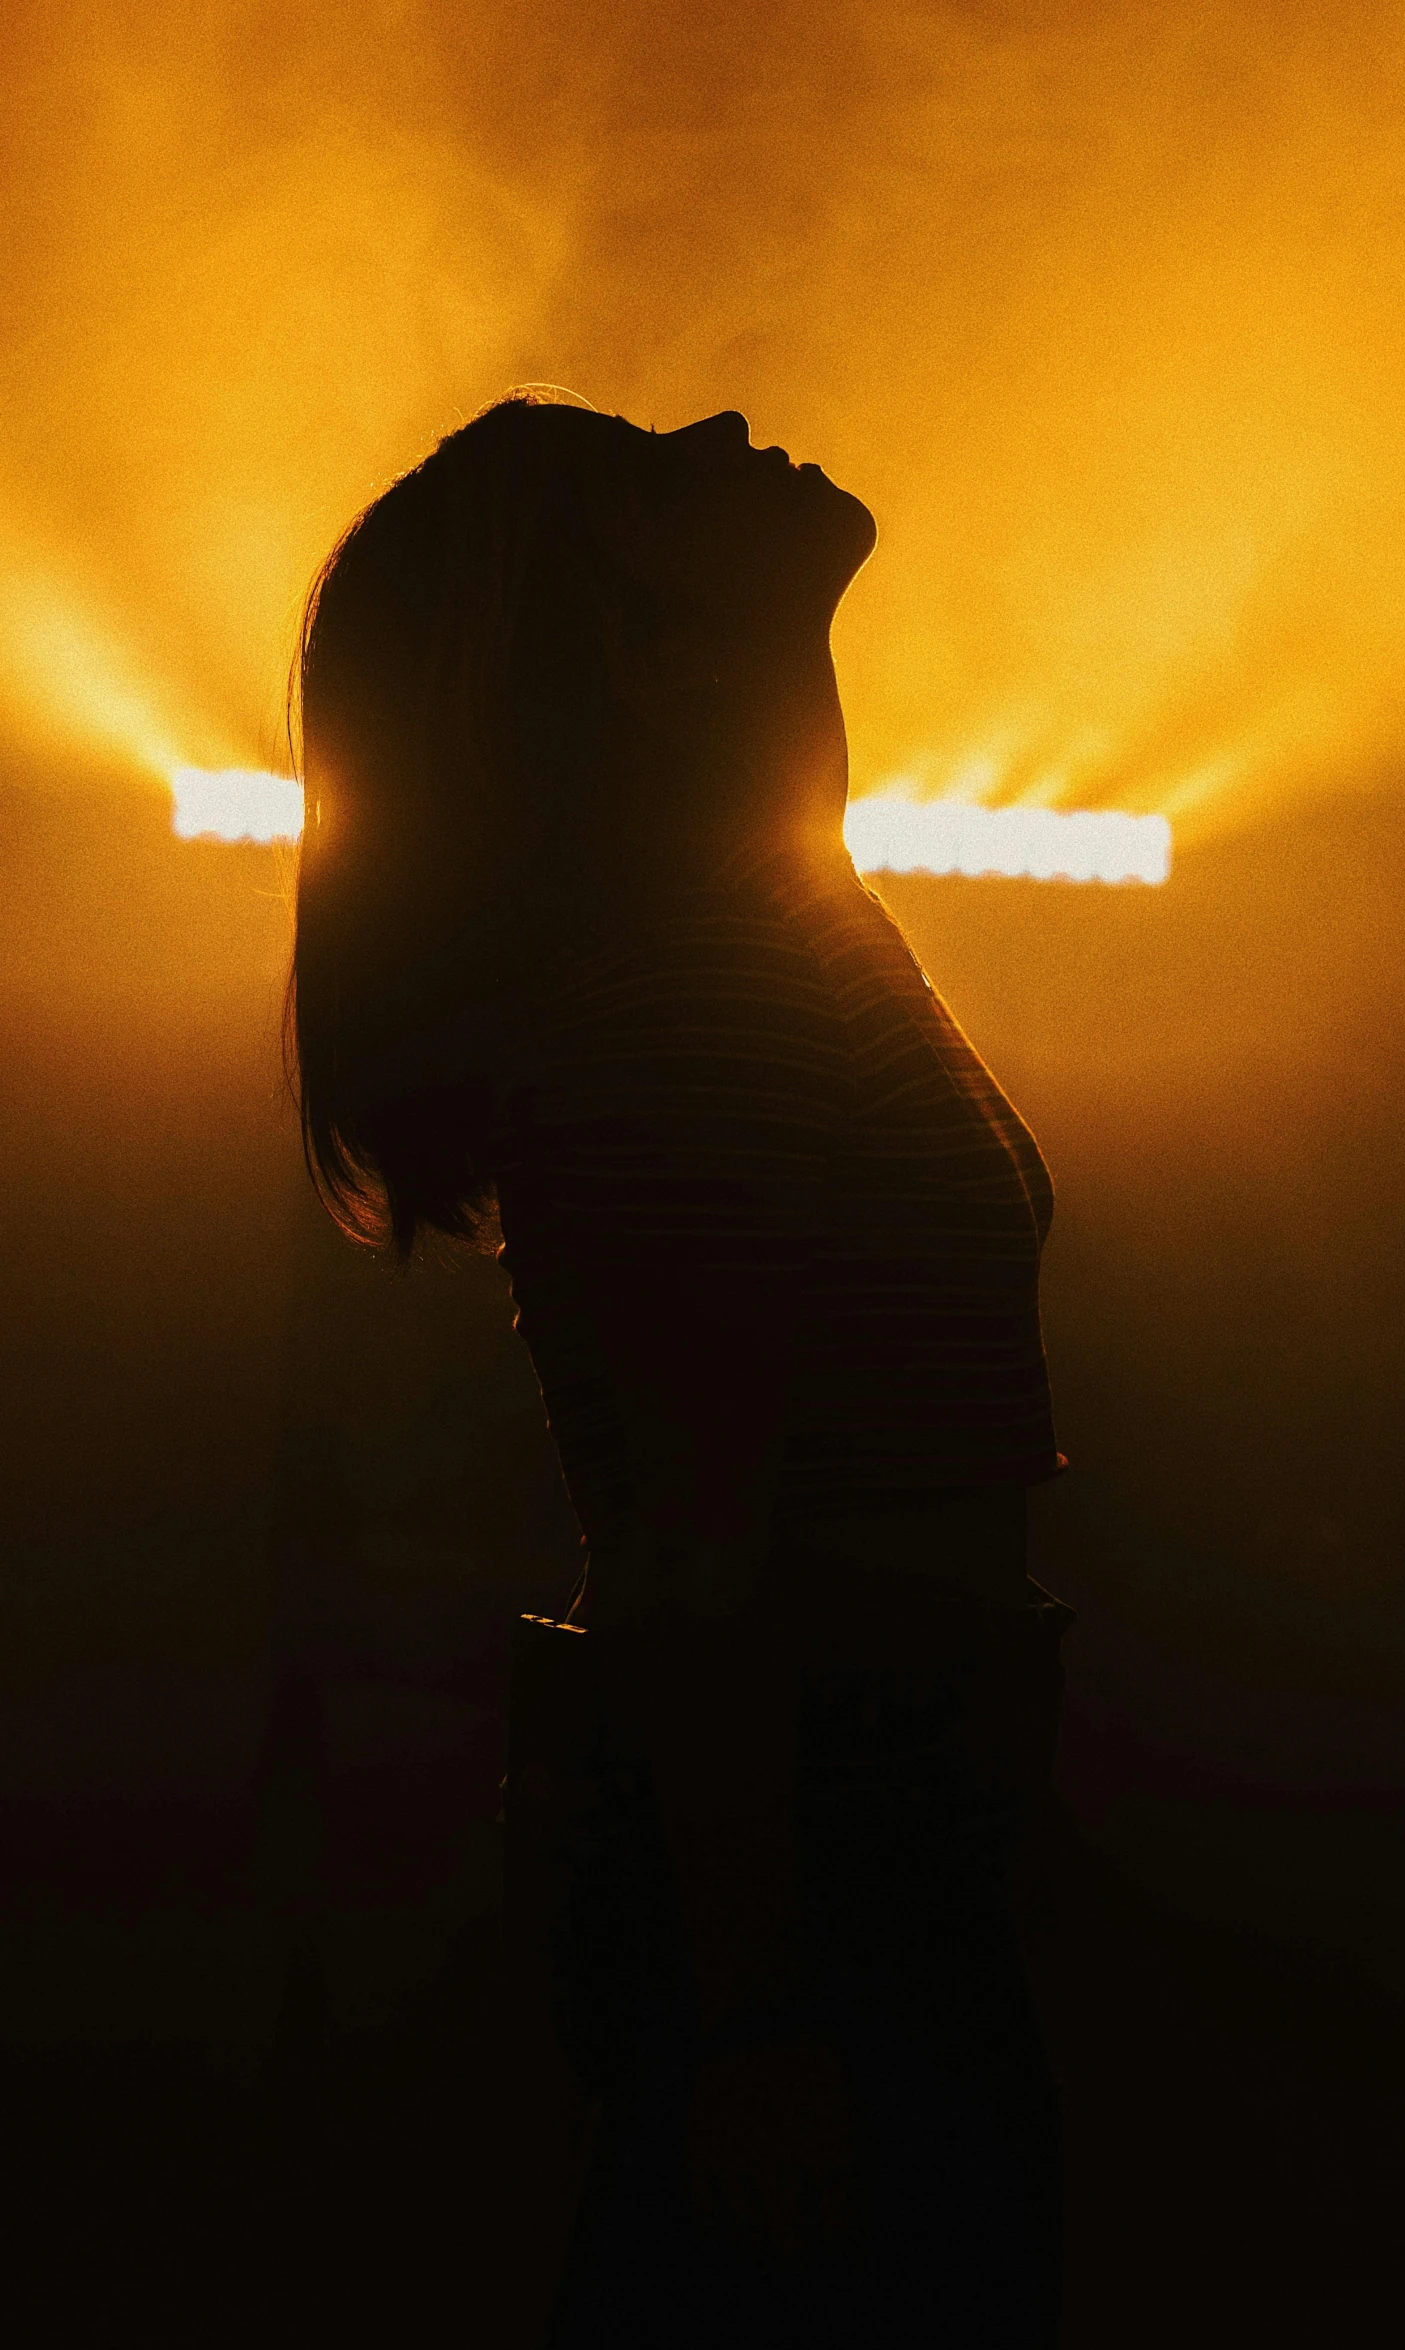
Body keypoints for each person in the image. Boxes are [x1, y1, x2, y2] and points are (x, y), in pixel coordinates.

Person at [286, 391, 1073, 2346]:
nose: (727, 421)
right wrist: (761, 2015)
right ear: (633, 652)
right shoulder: (686, 985)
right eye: (653, 472)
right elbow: (695, 1553)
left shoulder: (754, 939)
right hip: (827, 1841)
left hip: (843, 1824)